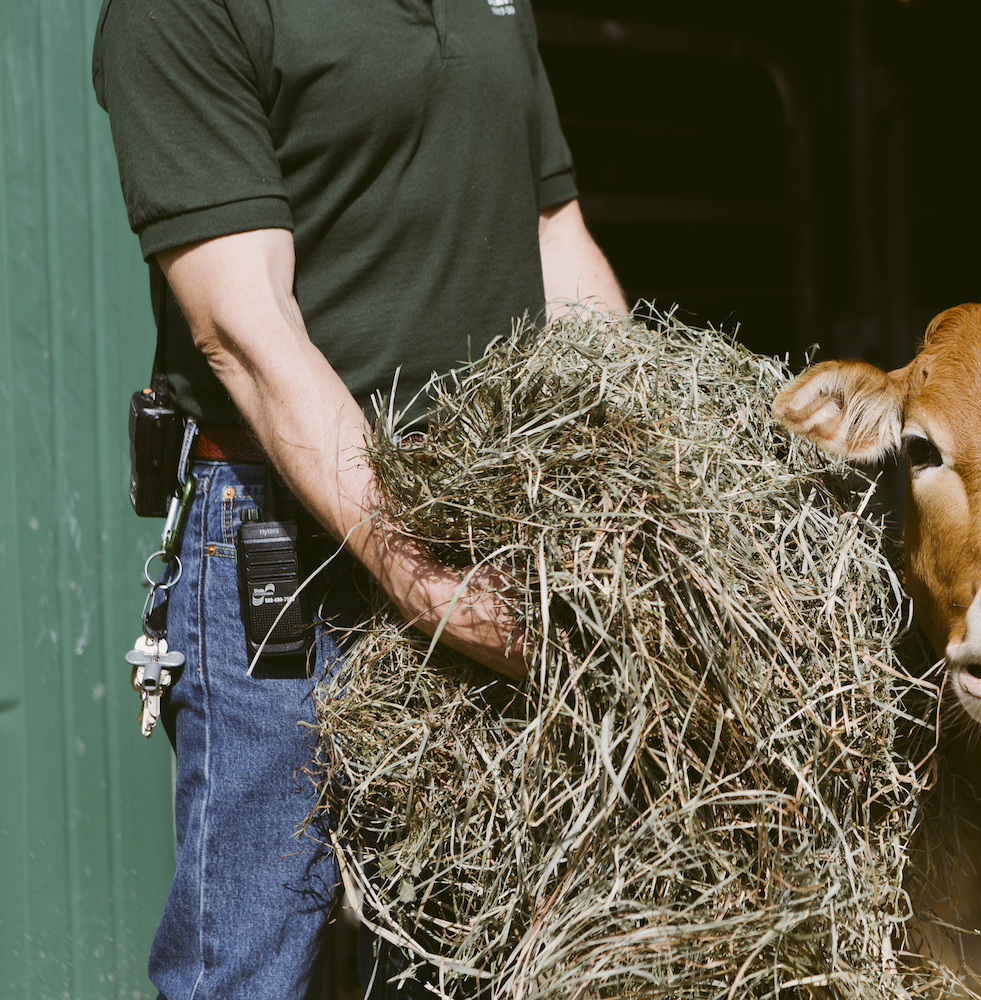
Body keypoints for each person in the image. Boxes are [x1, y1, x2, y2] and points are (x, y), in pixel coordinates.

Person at [93, 0, 626, 995]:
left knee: (481, 952)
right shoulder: (181, 12)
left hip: (496, 515)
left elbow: (553, 237)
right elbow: (246, 336)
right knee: (248, 958)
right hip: (280, 541)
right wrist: (428, 583)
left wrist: (642, 482)